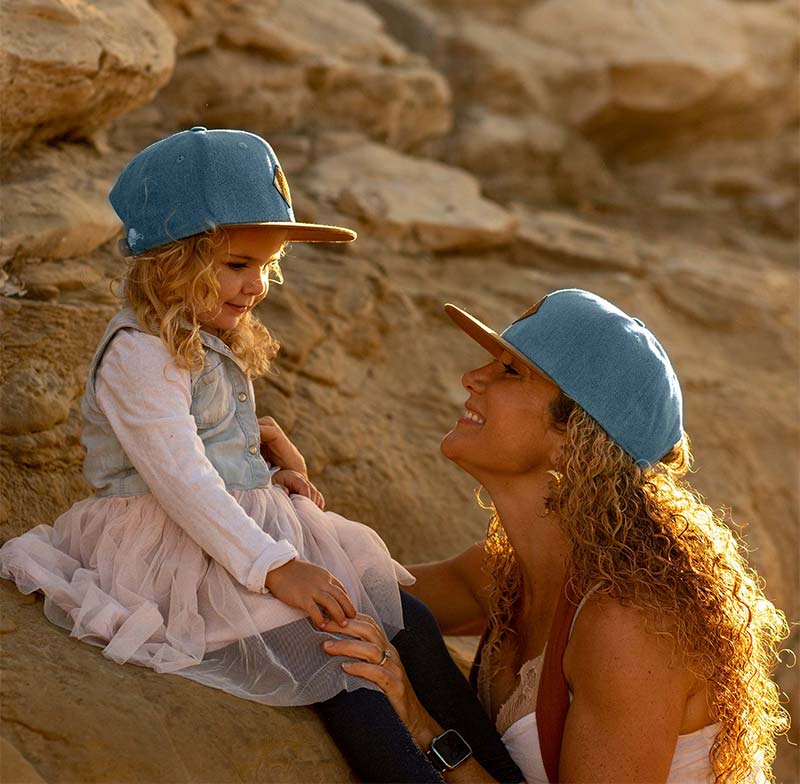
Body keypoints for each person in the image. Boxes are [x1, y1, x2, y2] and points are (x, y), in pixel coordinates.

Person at [0, 127, 523, 784]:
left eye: (267, 266)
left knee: (410, 622)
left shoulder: (200, 334)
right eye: (237, 265)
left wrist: (271, 472)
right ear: (171, 259)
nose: (257, 287)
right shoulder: (138, 353)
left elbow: (213, 452)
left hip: (236, 530)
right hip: (180, 547)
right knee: (344, 660)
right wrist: (277, 568)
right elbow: (183, 480)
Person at [323, 289, 790, 783]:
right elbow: (349, 596)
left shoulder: (628, 625)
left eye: (509, 371)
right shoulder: (502, 575)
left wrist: (422, 727)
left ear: (574, 438)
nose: (472, 377)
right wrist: (277, 501)